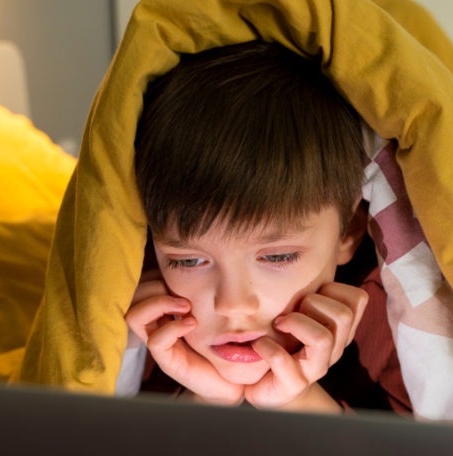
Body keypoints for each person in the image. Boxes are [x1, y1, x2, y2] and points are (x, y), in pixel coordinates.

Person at [125, 40, 409, 414]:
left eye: (277, 256)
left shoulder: (400, 324)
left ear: (348, 232)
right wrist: (207, 399)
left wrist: (298, 402)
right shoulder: (141, 324)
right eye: (188, 261)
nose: (233, 305)